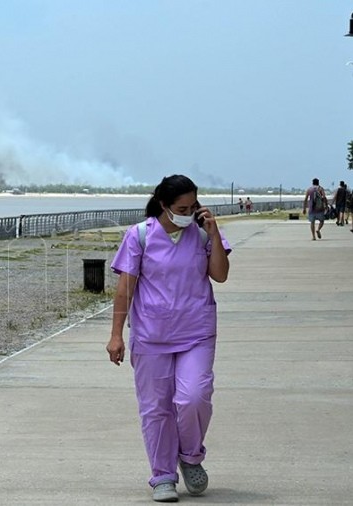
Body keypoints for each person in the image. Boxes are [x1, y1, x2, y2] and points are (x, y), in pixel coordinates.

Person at [107, 174, 231, 502]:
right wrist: (116, 336)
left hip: (197, 332)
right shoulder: (140, 236)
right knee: (156, 409)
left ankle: (190, 456)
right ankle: (162, 475)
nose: (188, 213)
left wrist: (215, 234)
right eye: (181, 207)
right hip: (151, 336)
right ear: (164, 205)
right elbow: (125, 290)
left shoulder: (203, 234)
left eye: (193, 206)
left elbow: (219, 274)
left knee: (194, 397)